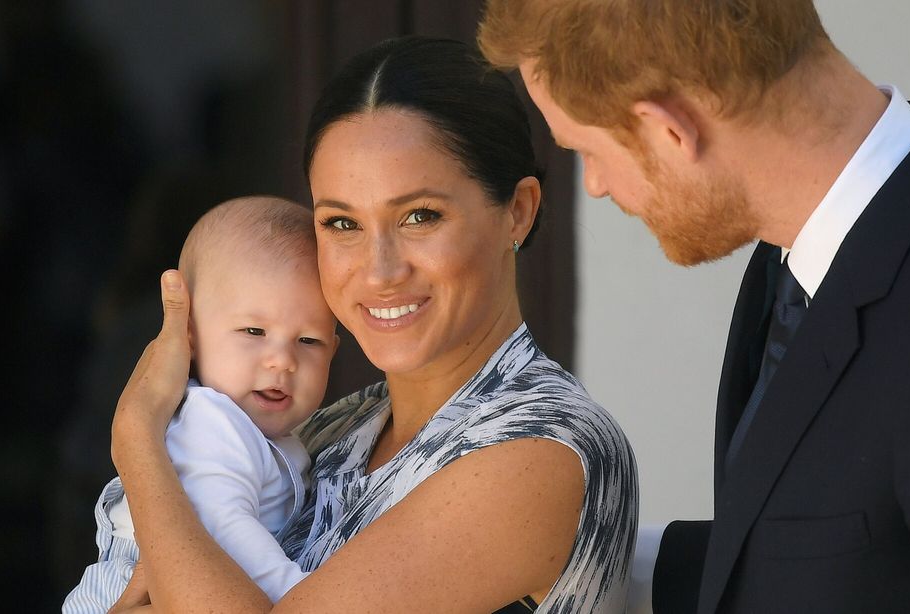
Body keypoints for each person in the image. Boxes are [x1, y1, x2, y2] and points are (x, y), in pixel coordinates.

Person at [107, 37, 638, 613]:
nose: (380, 271)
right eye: (341, 224)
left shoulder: (545, 446)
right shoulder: (331, 431)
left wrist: (137, 439)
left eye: (419, 216)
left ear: (519, 210)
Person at [479, 1, 910, 612]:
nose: (595, 183)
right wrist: (575, 553)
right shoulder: (799, 252)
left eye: (586, 150)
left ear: (671, 131)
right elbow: (836, 555)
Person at [64, 196, 339, 612]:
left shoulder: (277, 435)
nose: (282, 360)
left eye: (308, 341)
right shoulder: (212, 423)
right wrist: (301, 597)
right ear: (189, 335)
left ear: (333, 350)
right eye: (253, 330)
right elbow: (224, 530)